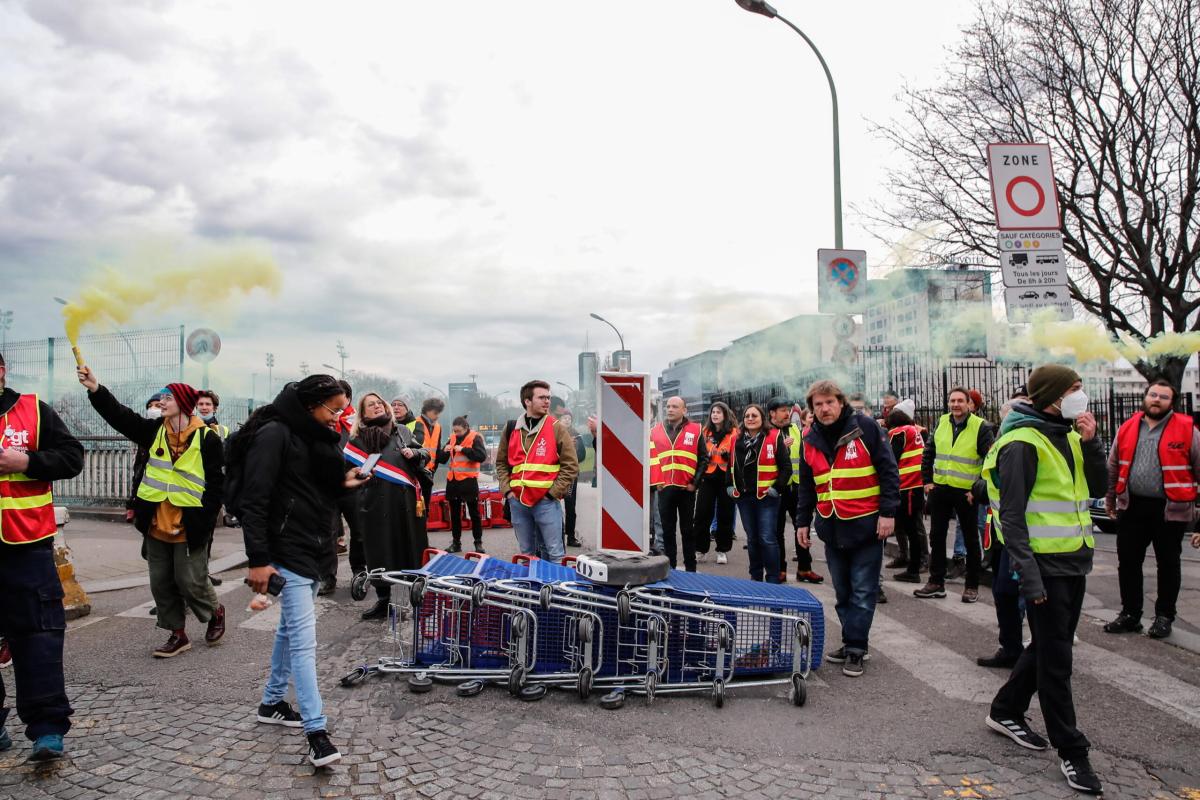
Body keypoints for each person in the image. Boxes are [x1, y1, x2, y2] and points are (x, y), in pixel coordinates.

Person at [982, 365, 1106, 795]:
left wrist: (1093, 447)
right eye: (1073, 389)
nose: (1080, 395)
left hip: (1074, 562)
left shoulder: (1069, 435)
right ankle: (1073, 752)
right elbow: (1011, 518)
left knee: (1050, 647)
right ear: (1052, 395)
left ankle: (1005, 709)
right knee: (1058, 662)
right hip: (1044, 570)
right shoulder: (1020, 443)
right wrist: (1029, 578)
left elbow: (1097, 487)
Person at [237, 375, 369, 767]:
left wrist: (346, 482)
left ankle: (272, 702)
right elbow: (254, 500)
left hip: (313, 548)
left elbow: (311, 490)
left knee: (288, 631)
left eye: (344, 409)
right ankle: (317, 730)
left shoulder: (312, 436)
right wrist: (258, 560)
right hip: (287, 551)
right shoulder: (275, 434)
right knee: (304, 643)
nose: (339, 417)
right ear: (311, 405)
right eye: (334, 408)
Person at [79, 368, 226, 658]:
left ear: (183, 403)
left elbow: (216, 485)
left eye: (168, 397)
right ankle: (177, 634)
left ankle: (215, 612)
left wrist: (205, 520)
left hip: (188, 522)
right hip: (156, 520)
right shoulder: (155, 430)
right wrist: (96, 388)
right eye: (161, 398)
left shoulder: (207, 439)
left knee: (190, 581)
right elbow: (120, 417)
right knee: (160, 582)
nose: (161, 402)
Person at [0, 350, 83, 761]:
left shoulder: (33, 411)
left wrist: (26, 461)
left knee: (39, 637)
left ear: (0, 372)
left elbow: (72, 458)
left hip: (25, 547)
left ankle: (47, 729)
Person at [796, 380, 899, 678]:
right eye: (818, 404)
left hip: (866, 524)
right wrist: (803, 521)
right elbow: (807, 485)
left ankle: (856, 647)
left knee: (864, 591)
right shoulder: (809, 437)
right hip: (831, 526)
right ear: (812, 409)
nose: (824, 408)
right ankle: (850, 641)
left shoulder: (865, 428)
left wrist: (888, 513)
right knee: (842, 592)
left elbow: (888, 471)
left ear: (840, 402)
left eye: (829, 402)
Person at [1103, 379, 1199, 640]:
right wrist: (1111, 498)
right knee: (1128, 562)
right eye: (1153, 395)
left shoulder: (1188, 430)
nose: (1156, 400)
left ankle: (1164, 616)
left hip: (1170, 509)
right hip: (1132, 506)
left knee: (1168, 564)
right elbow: (1114, 465)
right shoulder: (1128, 427)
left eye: (1163, 397)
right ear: (1145, 397)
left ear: (1172, 403)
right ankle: (1130, 614)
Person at [345, 392, 429, 621]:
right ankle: (383, 601)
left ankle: (417, 597)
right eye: (370, 405)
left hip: (405, 501)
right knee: (378, 550)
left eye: (379, 403)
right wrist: (356, 475)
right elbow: (344, 473)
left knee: (410, 545)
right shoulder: (356, 440)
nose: (377, 406)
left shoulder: (401, 430)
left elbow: (425, 454)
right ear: (362, 413)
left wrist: (415, 453)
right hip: (373, 501)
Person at [915, 387, 994, 603]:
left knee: (970, 540)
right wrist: (927, 482)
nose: (955, 404)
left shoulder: (981, 427)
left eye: (960, 401)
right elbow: (928, 452)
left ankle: (971, 586)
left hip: (966, 492)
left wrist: (977, 491)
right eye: (952, 401)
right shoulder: (941, 422)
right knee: (937, 537)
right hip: (940, 489)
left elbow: (991, 461)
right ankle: (936, 582)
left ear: (969, 404)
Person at [495, 380, 579, 562]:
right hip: (517, 501)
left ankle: (555, 589)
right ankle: (532, 589)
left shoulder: (557, 428)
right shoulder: (511, 428)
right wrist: (507, 491)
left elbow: (571, 466)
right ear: (527, 401)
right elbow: (501, 463)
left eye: (548, 397)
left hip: (546, 502)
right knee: (526, 555)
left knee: (555, 554)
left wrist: (552, 494)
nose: (547, 401)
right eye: (542, 397)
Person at [976, 395, 1030, 669]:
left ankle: (1025, 650)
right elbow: (987, 479)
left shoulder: (1018, 444)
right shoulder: (1002, 443)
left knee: (1016, 591)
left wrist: (979, 490)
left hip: (1020, 534)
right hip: (1001, 531)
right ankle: (1010, 647)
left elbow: (999, 486)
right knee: (1003, 592)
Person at [729, 404, 790, 582]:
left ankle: (772, 579)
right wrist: (729, 486)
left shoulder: (774, 436)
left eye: (754, 415)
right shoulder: (737, 439)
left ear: (762, 418)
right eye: (747, 416)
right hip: (744, 498)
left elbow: (786, 468)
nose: (750, 418)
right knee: (752, 539)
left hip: (767, 498)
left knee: (767, 538)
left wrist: (776, 488)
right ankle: (755, 577)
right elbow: (731, 466)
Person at [769, 397, 822, 584]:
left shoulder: (795, 430)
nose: (787, 413)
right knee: (777, 531)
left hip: (797, 487)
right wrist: (781, 447)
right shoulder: (767, 432)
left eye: (788, 410)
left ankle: (804, 568)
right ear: (772, 414)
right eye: (783, 410)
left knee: (802, 527)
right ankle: (779, 570)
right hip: (776, 489)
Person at [650, 396, 707, 572]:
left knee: (687, 531)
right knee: (667, 532)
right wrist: (656, 483)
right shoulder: (655, 431)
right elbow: (651, 459)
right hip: (664, 489)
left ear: (684, 410)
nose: (670, 409)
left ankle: (691, 569)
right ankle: (671, 568)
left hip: (686, 489)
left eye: (675, 406)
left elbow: (704, 459)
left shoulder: (696, 430)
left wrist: (695, 484)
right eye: (668, 406)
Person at [328, 380, 364, 596]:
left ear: (348, 399)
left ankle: (360, 573)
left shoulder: (358, 424)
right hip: (329, 487)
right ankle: (327, 577)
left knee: (359, 533)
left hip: (354, 486)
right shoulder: (322, 422)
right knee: (328, 534)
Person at [887, 399, 928, 585]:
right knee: (910, 526)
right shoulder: (914, 431)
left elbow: (891, 459)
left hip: (907, 486)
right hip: (915, 485)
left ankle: (914, 569)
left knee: (911, 528)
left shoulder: (898, 432)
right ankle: (913, 564)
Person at [694, 402, 737, 565]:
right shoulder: (704, 432)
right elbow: (698, 452)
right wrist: (707, 454)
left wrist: (728, 455)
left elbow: (738, 453)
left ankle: (722, 550)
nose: (715, 415)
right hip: (708, 477)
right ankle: (701, 549)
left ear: (725, 415)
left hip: (726, 478)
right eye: (713, 412)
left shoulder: (734, 433)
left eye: (718, 412)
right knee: (702, 514)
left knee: (725, 515)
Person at [440, 415, 488, 554]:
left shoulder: (475, 437)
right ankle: (456, 543)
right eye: (454, 431)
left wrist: (463, 449)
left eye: (458, 431)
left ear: (466, 428)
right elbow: (442, 459)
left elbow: (481, 456)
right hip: (453, 481)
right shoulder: (453, 438)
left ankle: (478, 543)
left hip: (468, 481)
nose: (456, 434)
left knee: (474, 514)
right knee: (454, 515)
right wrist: (444, 451)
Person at [125, 393, 165, 523]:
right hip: (146, 496)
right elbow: (138, 471)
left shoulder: (170, 434)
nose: (153, 409)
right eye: (150, 406)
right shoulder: (144, 436)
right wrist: (132, 501)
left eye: (157, 405)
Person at [557, 412, 586, 549]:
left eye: (569, 418)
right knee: (553, 506)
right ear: (559, 420)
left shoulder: (576, 434)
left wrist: (572, 453)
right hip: (554, 475)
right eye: (564, 418)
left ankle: (571, 536)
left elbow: (582, 455)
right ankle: (557, 535)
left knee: (570, 506)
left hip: (571, 476)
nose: (567, 420)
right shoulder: (553, 432)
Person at [412, 398, 444, 509]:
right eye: (435, 413)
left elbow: (437, 449)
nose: (437, 416)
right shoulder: (414, 423)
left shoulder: (438, 427)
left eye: (439, 413)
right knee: (416, 504)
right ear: (427, 410)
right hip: (416, 471)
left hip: (430, 472)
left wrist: (434, 468)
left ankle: (424, 525)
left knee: (426, 507)